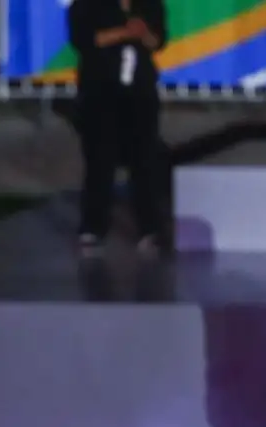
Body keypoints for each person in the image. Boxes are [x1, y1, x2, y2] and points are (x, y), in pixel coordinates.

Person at [68, 0, 169, 255]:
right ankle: (93, 227)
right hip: (100, 92)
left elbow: (157, 41)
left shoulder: (149, 4)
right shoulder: (87, 5)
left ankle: (149, 229)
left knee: (144, 161)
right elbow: (85, 40)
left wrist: (144, 33)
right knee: (100, 160)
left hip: (140, 93)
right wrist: (125, 32)